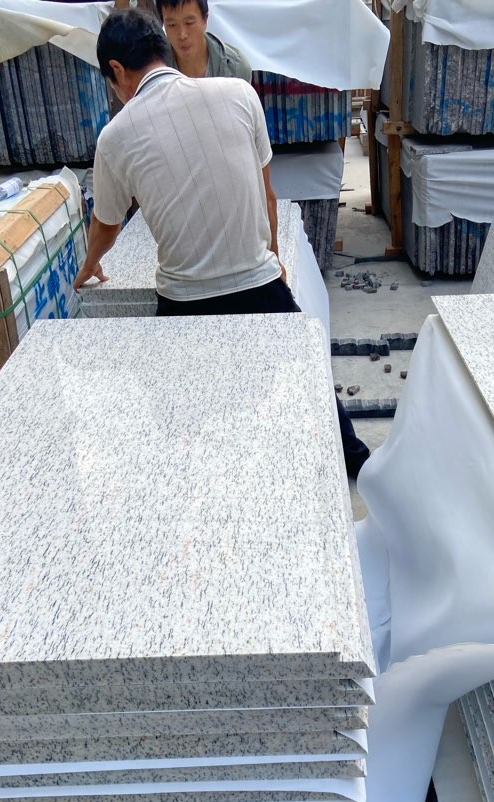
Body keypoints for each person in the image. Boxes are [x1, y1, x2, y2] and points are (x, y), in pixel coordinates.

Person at [73, 9, 369, 476]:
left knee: (177, 417)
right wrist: (273, 261)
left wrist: (90, 262)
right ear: (163, 46)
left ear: (116, 70)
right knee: (310, 381)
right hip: (259, 287)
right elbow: (266, 191)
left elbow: (106, 224)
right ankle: (357, 462)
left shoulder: (116, 136)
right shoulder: (239, 93)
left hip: (184, 302)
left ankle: (199, 479)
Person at [155, 0, 251, 81]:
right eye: (172, 25)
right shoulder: (155, 68)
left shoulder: (235, 68)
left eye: (189, 23)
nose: (182, 35)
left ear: (205, 20)